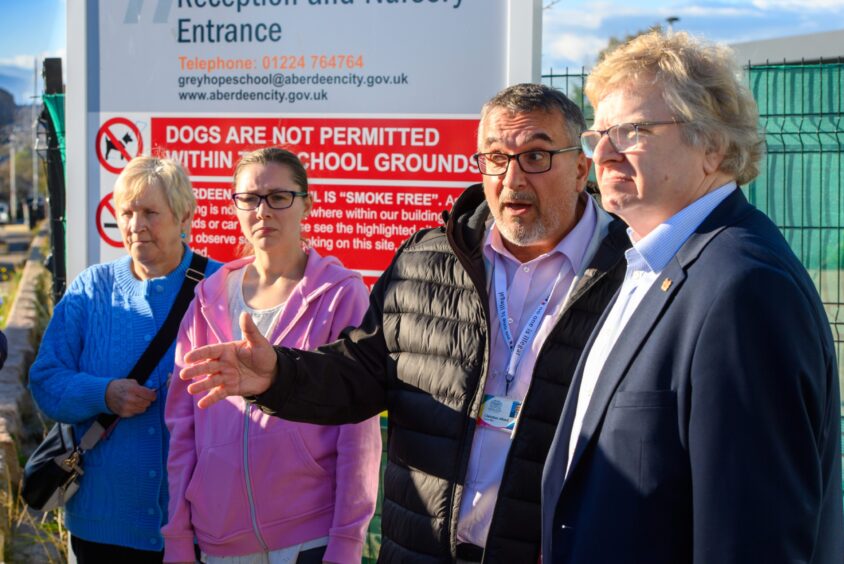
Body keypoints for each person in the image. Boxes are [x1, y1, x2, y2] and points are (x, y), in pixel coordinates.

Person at [178, 83, 631, 563]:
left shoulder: (630, 274)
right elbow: (363, 374)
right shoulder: (426, 259)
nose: (511, 178)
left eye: (536, 156)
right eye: (495, 157)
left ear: (581, 168)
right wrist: (278, 375)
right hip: (421, 550)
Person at [540, 31, 844, 563]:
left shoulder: (742, 288)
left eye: (632, 130)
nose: (604, 153)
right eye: (600, 134)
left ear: (713, 147)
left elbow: (751, 539)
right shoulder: (650, 263)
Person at [162, 148, 380, 564]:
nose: (263, 211)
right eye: (250, 198)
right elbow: (183, 427)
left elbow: (359, 432)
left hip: (308, 536)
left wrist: (347, 542)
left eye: (279, 197)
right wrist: (177, 536)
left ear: (307, 204)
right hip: (218, 539)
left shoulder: (340, 294)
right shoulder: (207, 299)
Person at [29, 156, 221, 563]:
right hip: (104, 526)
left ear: (184, 214)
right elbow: (45, 380)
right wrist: (103, 394)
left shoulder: (220, 287)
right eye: (127, 213)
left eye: (150, 212)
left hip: (200, 527)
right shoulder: (90, 289)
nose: (135, 225)